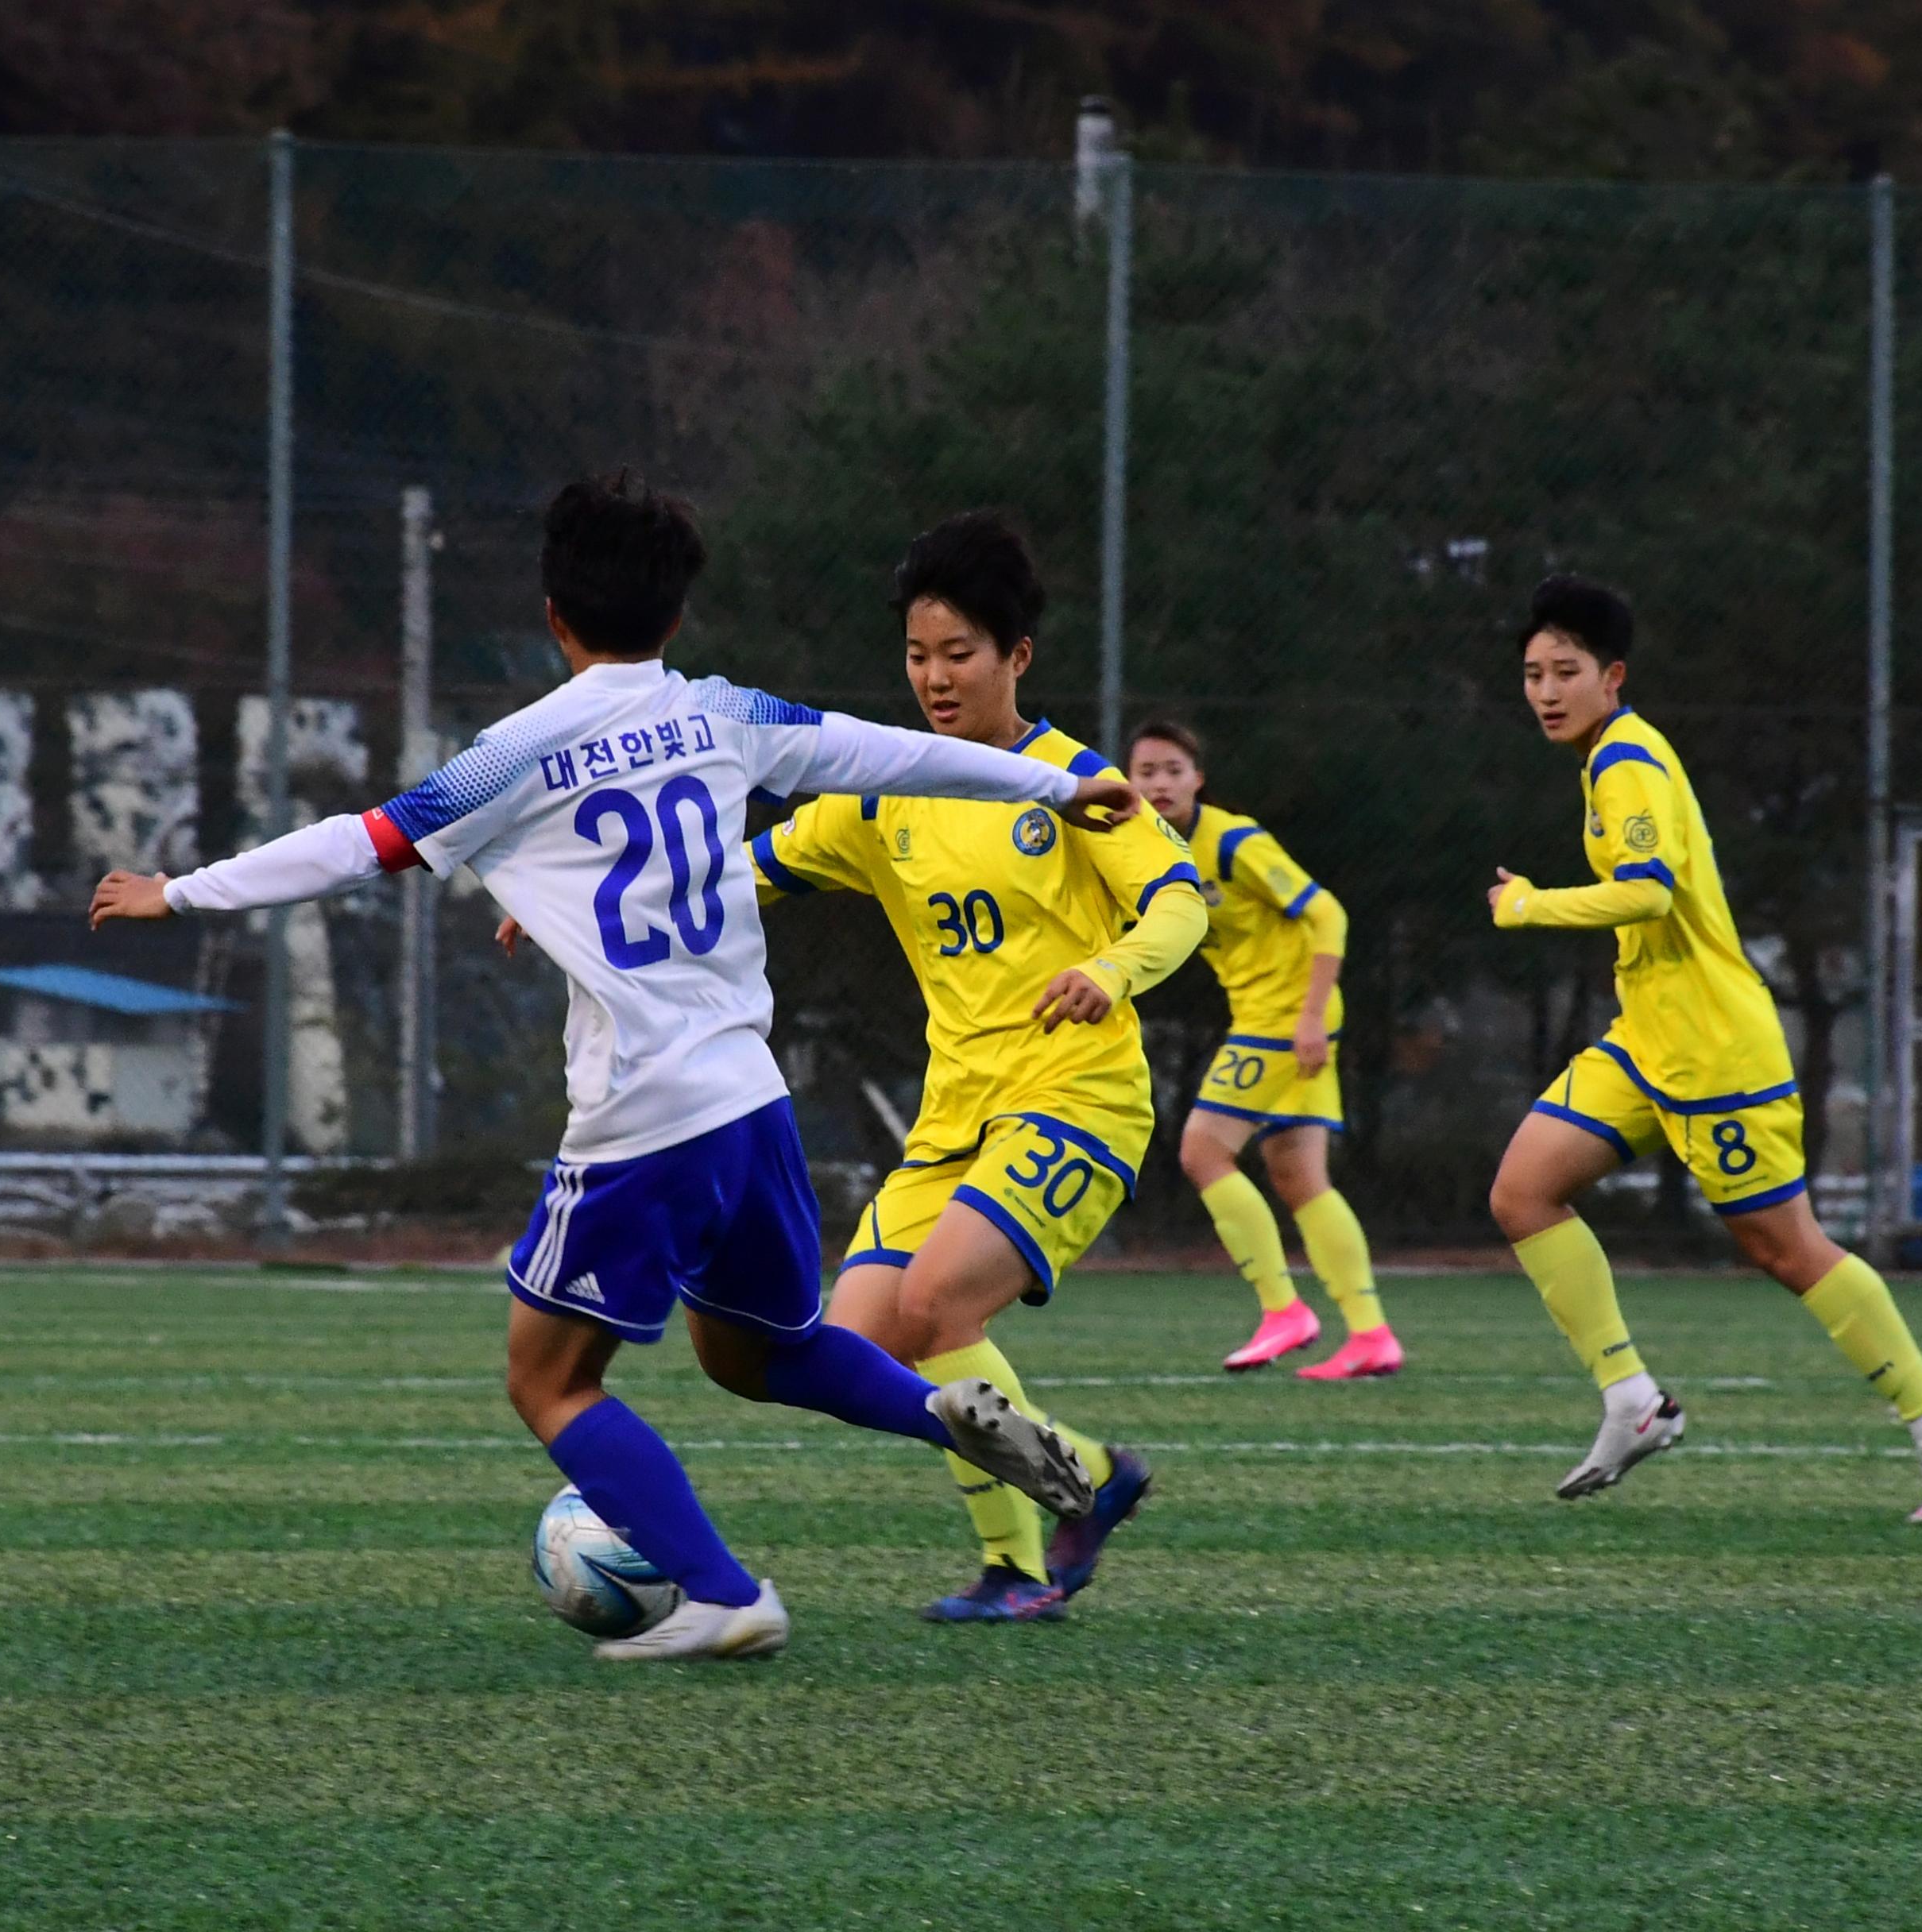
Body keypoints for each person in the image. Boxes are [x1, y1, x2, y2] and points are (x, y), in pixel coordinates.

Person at [91, 472, 1146, 1661]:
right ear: (676, 619)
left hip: (641, 1117)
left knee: (547, 1381)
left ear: (555, 615)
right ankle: (958, 1419)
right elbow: (893, 754)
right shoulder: (725, 713)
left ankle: (722, 1591)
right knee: (763, 1352)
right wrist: (1064, 782)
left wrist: (178, 890)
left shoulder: (517, 752)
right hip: (752, 1103)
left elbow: (359, 844)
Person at [749, 511, 1209, 1621]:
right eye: (918, 656)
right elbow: (748, 865)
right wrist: (589, 904)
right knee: (843, 1349)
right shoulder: (884, 790)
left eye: (960, 654)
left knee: (942, 1294)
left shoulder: (1076, 784)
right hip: (954, 1120)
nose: (935, 679)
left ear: (1018, 658)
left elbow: (1180, 901)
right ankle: (1026, 1553)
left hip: (1079, 1100)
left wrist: (1113, 968)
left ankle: (1068, 1508)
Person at [1485, 573, 1922, 1521]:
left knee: (1785, 1247)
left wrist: (1529, 906)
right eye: (1532, 673)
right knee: (1523, 1191)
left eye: (1566, 671)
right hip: (1647, 1040)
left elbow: (1645, 890)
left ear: (1614, 676)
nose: (1547, 690)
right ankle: (1632, 1401)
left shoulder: (1626, 762)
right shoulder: (1607, 758)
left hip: (1717, 1050)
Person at [1124, 720, 1399, 1379]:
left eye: (1173, 770)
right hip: (1269, 1015)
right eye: (1146, 772)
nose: (1159, 784)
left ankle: (1283, 1311)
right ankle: (1370, 1334)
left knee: (1202, 1150)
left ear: (1199, 780)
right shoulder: (1148, 849)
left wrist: (1309, 1016)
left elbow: (1327, 912)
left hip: (1286, 1017)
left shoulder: (1233, 840)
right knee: (1301, 1177)